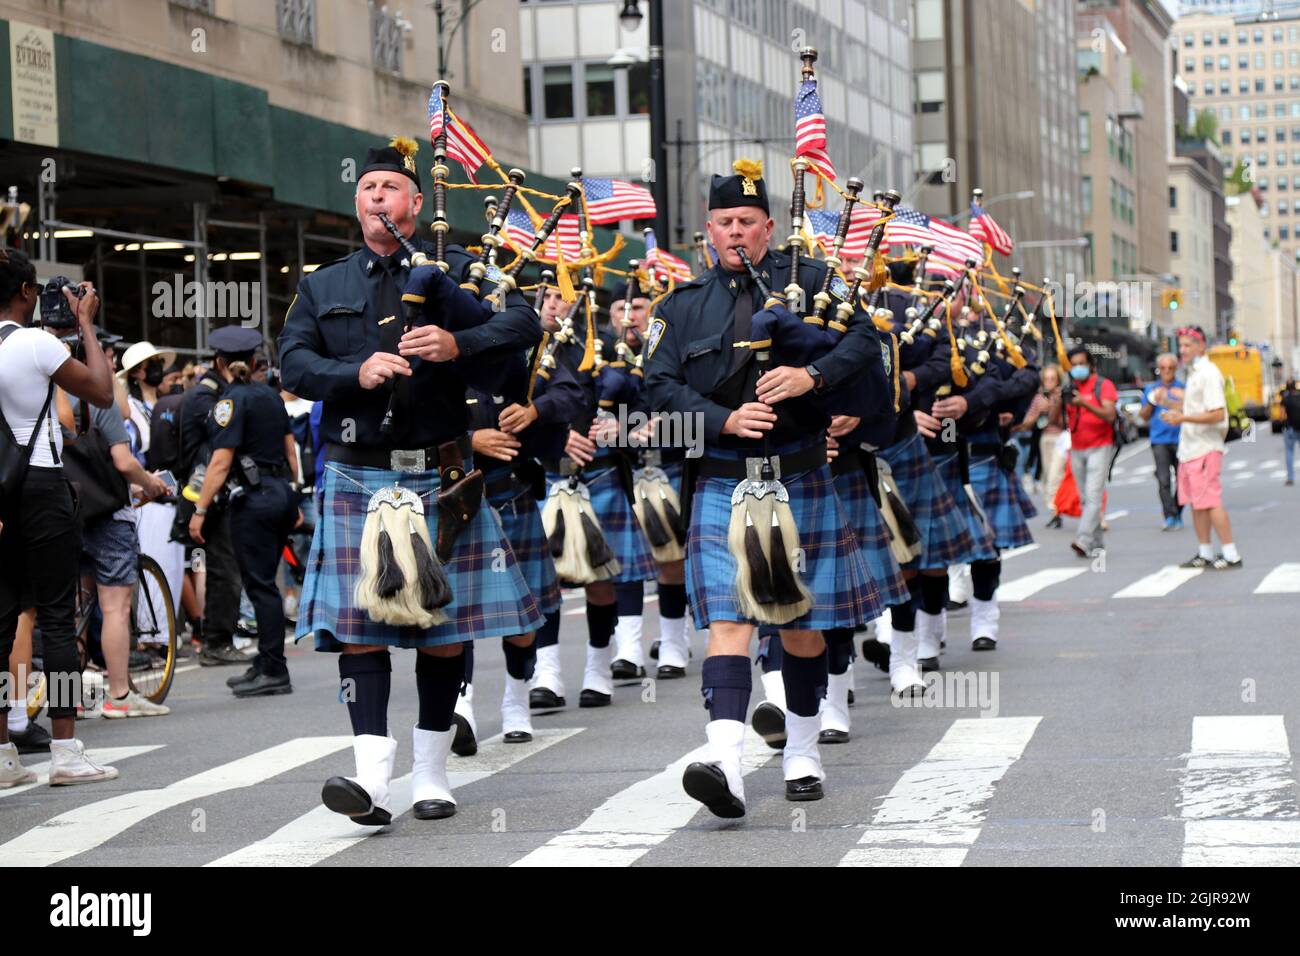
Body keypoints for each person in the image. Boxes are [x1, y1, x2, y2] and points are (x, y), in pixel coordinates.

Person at [279, 137, 543, 825]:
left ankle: (430, 774)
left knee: (442, 634)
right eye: (367, 188)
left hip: (442, 471)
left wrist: (460, 342)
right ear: (357, 203)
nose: (378, 199)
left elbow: (523, 322)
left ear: (416, 203)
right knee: (362, 634)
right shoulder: (323, 285)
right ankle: (371, 781)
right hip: (357, 470)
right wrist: (353, 373)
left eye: (390, 188)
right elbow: (294, 364)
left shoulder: (458, 269)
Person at [645, 159, 885, 816]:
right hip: (724, 480)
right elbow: (657, 390)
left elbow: (866, 341)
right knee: (728, 624)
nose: (734, 233)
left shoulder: (814, 282)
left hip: (801, 474)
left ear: (768, 227)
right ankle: (723, 761)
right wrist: (721, 418)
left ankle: (802, 748)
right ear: (708, 231)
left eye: (746, 222)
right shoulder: (682, 307)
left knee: (803, 627)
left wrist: (814, 378)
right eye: (723, 222)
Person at [0, 248, 121, 787]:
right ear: (27, 292)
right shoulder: (34, 342)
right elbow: (100, 391)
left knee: (1, 622)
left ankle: (4, 757)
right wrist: (86, 325)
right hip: (43, 486)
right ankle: (66, 752)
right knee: (54, 616)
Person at [58, 328, 172, 718]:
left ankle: (67, 696)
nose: (111, 363)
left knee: (74, 609)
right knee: (115, 606)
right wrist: (151, 483)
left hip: (65, 512)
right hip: (107, 514)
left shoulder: (47, 395)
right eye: (106, 355)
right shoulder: (97, 399)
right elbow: (124, 462)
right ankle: (119, 694)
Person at [189, 326, 301, 697]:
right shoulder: (272, 397)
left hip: (253, 499)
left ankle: (274, 668)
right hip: (281, 493)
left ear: (219, 363)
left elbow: (220, 462)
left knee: (260, 587)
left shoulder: (229, 402)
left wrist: (200, 509)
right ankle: (267, 661)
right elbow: (290, 450)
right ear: (254, 362)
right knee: (266, 582)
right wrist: (294, 494)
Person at [176, 344, 248, 667]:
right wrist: (202, 508)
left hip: (213, 492)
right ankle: (217, 641)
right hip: (205, 493)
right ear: (222, 363)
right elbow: (218, 452)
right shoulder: (207, 399)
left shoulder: (216, 393)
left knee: (222, 569)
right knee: (222, 571)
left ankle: (219, 638)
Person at [1162, 326, 1241, 570]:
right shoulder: (1194, 373)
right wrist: (1176, 406)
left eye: (1188, 345)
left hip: (1205, 448)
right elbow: (1198, 408)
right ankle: (1205, 551)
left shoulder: (1207, 372)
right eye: (1181, 345)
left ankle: (1231, 553)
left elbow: (1217, 413)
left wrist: (1182, 418)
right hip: (1191, 449)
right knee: (1197, 502)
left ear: (1201, 346)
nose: (1183, 350)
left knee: (1210, 500)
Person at [1063, 345, 1117, 557]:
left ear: (1091, 365)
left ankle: (1083, 539)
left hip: (1100, 446)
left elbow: (1109, 415)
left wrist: (1084, 404)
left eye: (1081, 364)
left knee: (1094, 496)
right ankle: (1097, 543)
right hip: (1077, 448)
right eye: (1074, 365)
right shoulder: (1070, 388)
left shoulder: (1103, 385)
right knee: (1085, 498)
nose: (1078, 369)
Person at [1140, 353, 1185, 530]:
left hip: (1181, 439)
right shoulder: (1151, 389)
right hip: (1159, 440)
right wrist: (1153, 401)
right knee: (1163, 480)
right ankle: (1169, 515)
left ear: (1176, 369)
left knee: (1183, 480)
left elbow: (1192, 409)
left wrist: (1178, 399)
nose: (1167, 371)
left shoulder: (1182, 388)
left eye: (1171, 368)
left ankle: (1177, 512)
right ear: (1159, 370)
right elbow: (1143, 416)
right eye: (1163, 368)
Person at [1037, 365, 1068, 528]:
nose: (1049, 382)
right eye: (1046, 379)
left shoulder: (1061, 396)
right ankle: (1054, 511)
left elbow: (1055, 418)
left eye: (1052, 379)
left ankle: (1056, 509)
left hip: (1060, 438)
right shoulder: (1040, 397)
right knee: (1047, 475)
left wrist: (1054, 402)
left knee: (1056, 475)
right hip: (1045, 438)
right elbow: (1033, 417)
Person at [1280, 378, 1300, 485]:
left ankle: (1290, 478)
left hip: (1290, 428)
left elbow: (1282, 416)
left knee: (1289, 452)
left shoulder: (1285, 399)